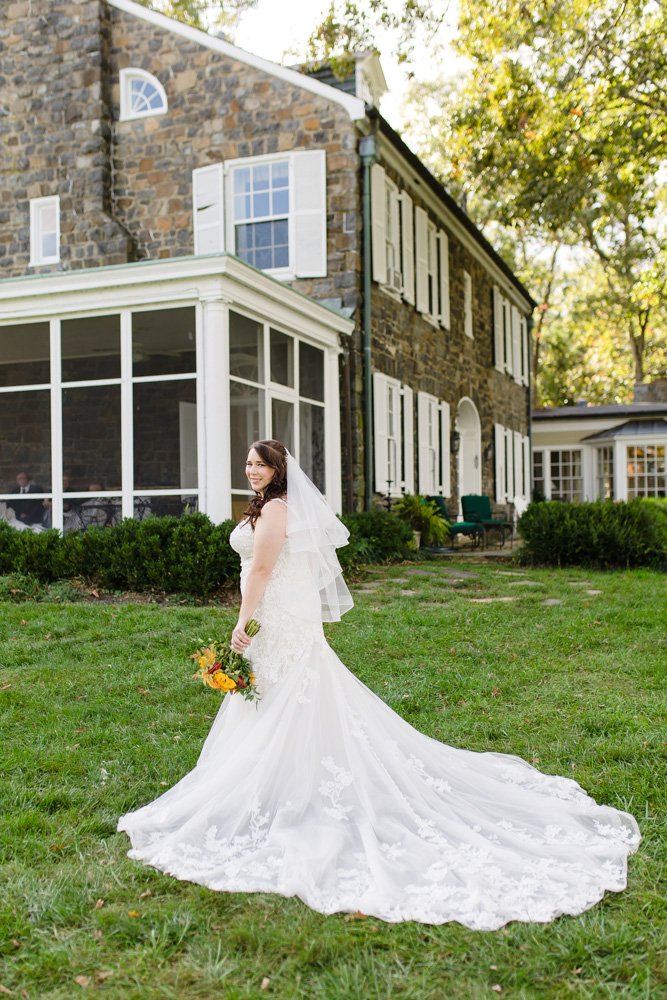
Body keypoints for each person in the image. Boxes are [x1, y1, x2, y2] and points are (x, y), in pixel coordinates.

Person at [118, 440, 640, 928]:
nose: (252, 470)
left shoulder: (275, 510)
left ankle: (290, 792)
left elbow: (261, 570)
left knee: (286, 696)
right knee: (275, 699)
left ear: (279, 472)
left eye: (260, 464)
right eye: (249, 464)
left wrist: (244, 622)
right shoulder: (265, 506)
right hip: (282, 619)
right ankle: (275, 786)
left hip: (274, 618)